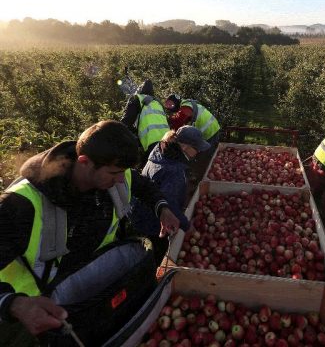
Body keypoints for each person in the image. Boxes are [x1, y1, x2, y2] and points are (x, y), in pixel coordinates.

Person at [0, 120, 179, 342]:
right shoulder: (20, 206)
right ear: (84, 162)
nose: (121, 179)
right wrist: (12, 303)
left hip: (97, 298)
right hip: (42, 316)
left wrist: (162, 208)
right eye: (114, 173)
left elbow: (143, 185)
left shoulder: (114, 176)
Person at [129, 126, 211, 262]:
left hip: (139, 211)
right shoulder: (174, 172)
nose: (198, 152)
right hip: (153, 222)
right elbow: (170, 205)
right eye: (196, 148)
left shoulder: (160, 150)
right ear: (184, 147)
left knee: (141, 247)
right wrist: (187, 226)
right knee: (154, 254)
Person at [120, 79, 170, 165]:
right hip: (169, 141)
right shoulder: (158, 103)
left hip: (152, 143)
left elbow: (126, 122)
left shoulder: (137, 99)